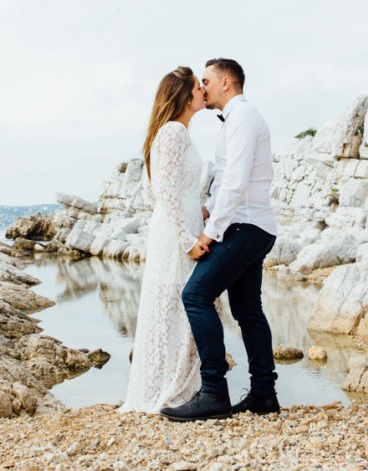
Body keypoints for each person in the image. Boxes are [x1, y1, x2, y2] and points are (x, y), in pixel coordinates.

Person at [160, 58, 279, 422]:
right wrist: (209, 210)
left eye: (208, 80)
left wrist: (208, 234)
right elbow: (226, 179)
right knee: (247, 311)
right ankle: (263, 394)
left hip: (245, 227)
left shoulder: (242, 117)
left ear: (227, 82)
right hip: (252, 224)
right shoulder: (236, 120)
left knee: (195, 295)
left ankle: (213, 392)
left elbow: (236, 182)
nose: (203, 88)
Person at [119, 66, 207, 413]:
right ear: (185, 96)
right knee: (177, 304)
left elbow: (156, 191)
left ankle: (176, 385)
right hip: (175, 232)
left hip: (176, 224)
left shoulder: (173, 132)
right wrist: (187, 237)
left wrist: (198, 208)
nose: (204, 90)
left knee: (177, 304)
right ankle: (172, 389)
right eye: (198, 86)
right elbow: (162, 190)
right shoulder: (173, 131)